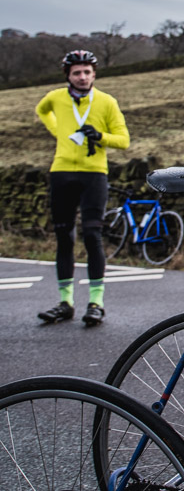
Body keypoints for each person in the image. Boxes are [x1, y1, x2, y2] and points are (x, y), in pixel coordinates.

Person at [35, 50, 130, 327]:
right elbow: (41, 110)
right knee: (64, 236)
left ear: (94, 74)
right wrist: (58, 132)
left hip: (94, 174)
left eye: (87, 72)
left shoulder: (106, 101)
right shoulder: (55, 97)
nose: (83, 77)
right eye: (77, 72)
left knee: (91, 235)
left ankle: (96, 303)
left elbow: (123, 140)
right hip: (61, 172)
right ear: (68, 75)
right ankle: (65, 303)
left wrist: (100, 136)